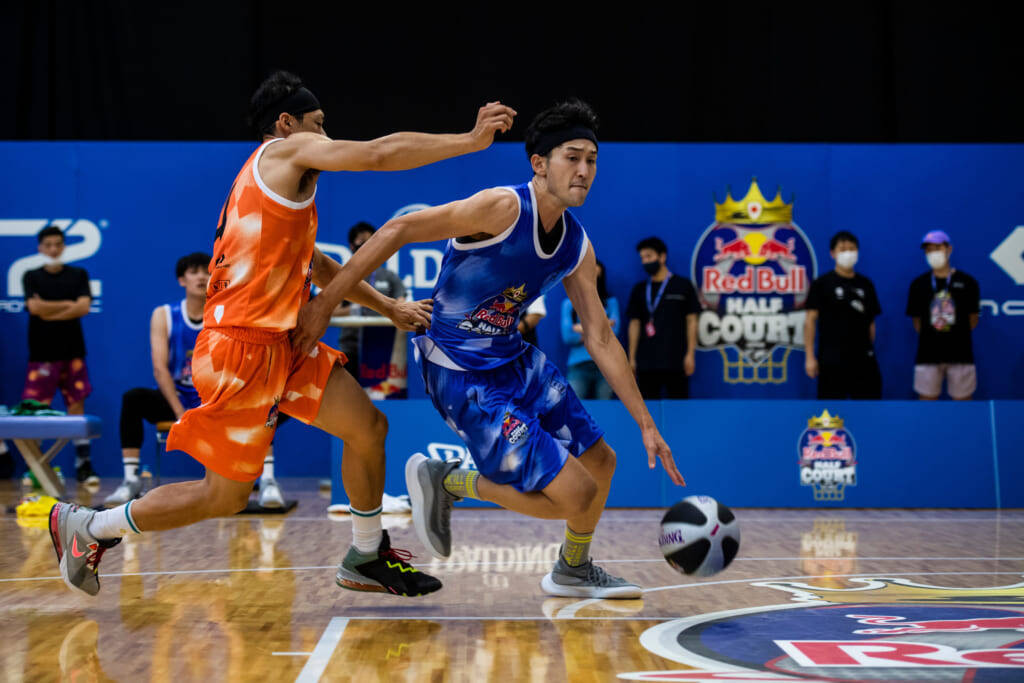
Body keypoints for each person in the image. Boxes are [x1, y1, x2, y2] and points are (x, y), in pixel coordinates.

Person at [47, 69, 515, 597]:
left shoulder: (283, 189)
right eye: (317, 125)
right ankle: (90, 526)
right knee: (224, 497)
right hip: (240, 348)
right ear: (285, 123)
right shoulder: (279, 155)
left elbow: (314, 264)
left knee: (368, 428)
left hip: (283, 343)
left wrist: (387, 306)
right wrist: (471, 142)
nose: (325, 136)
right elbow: (382, 154)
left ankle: (365, 553)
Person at [313, 99, 685, 599]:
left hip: (515, 359)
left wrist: (645, 422)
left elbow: (599, 335)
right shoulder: (503, 208)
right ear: (539, 163)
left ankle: (573, 569)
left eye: (591, 160)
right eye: (572, 157)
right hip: (458, 369)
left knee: (602, 463)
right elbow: (400, 228)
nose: (583, 170)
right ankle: (447, 481)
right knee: (575, 493)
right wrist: (326, 305)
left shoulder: (576, 243)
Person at [104, 252, 289, 509]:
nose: (202, 277)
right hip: (179, 398)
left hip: (219, 398)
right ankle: (130, 479)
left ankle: (267, 480)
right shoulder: (164, 315)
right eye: (194, 272)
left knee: (261, 399)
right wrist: (182, 416)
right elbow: (160, 369)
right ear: (182, 280)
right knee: (133, 399)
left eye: (207, 271)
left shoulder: (229, 313)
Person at [22, 225, 99, 486]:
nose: (53, 249)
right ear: (40, 248)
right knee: (36, 411)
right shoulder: (31, 276)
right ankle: (36, 467)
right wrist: (69, 305)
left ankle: (83, 464)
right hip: (42, 353)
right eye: (48, 245)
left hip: (73, 350)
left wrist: (49, 309)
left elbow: (84, 307)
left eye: (58, 244)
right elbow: (34, 308)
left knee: (76, 406)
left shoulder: (79, 274)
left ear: (64, 245)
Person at [803, 231, 882, 399]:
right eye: (843, 249)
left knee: (868, 410)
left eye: (852, 249)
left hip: (863, 361)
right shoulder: (821, 284)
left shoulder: (866, 284)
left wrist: (869, 349)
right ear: (833, 253)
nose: (848, 253)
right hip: (831, 360)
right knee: (831, 413)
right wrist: (810, 357)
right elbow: (810, 321)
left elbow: (871, 323)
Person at [906, 230, 980, 400]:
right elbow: (917, 322)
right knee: (927, 404)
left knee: (963, 405)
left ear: (949, 249)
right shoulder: (918, 284)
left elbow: (973, 319)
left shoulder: (968, 282)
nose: (933, 253)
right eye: (929, 250)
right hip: (928, 355)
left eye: (938, 248)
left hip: (961, 354)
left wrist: (954, 335)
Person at [626, 237, 700, 399]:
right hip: (646, 363)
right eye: (642, 258)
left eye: (649, 256)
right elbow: (634, 323)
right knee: (647, 410)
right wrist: (631, 358)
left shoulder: (683, 285)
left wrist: (690, 354)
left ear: (662, 257)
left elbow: (692, 321)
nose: (645, 261)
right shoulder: (639, 289)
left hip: (676, 361)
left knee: (679, 410)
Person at [336, 221, 407, 379]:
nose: (366, 246)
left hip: (382, 347)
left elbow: (401, 304)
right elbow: (332, 311)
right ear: (351, 246)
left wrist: (382, 307)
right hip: (351, 349)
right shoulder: (342, 277)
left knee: (382, 398)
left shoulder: (390, 277)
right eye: (361, 242)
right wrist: (358, 309)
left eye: (370, 241)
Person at [562, 260, 618, 399]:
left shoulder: (611, 302)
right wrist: (603, 326)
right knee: (576, 410)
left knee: (606, 411)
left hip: (605, 365)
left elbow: (613, 334)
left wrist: (581, 328)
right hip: (578, 365)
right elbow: (568, 336)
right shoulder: (568, 303)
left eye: (596, 275)